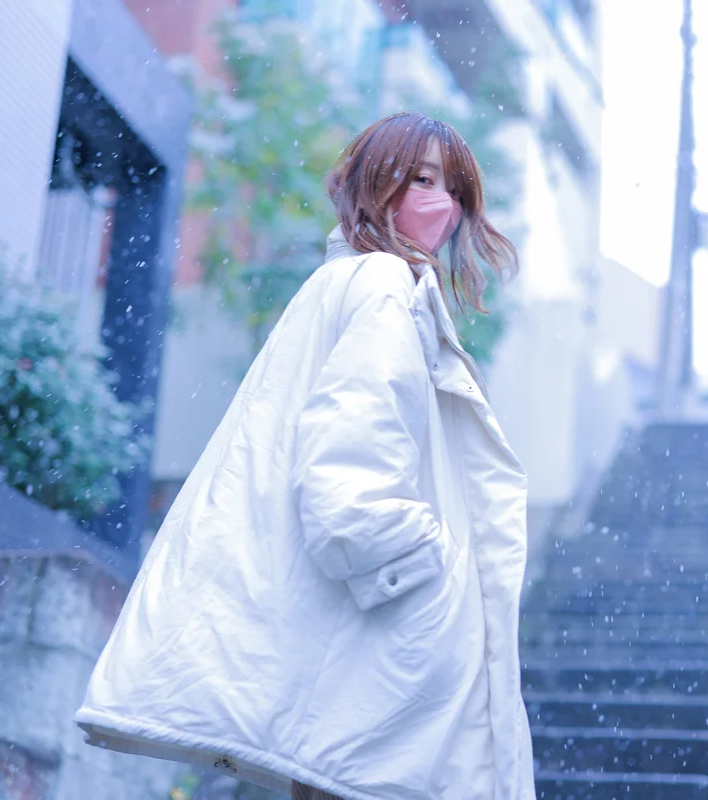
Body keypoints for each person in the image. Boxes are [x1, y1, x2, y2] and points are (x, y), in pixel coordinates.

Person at [74, 112, 535, 800]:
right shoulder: (384, 286)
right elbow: (349, 475)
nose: (442, 202)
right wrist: (433, 569)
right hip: (381, 640)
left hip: (350, 635)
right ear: (376, 184)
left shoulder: (344, 284)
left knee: (323, 777)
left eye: (453, 188)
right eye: (420, 178)